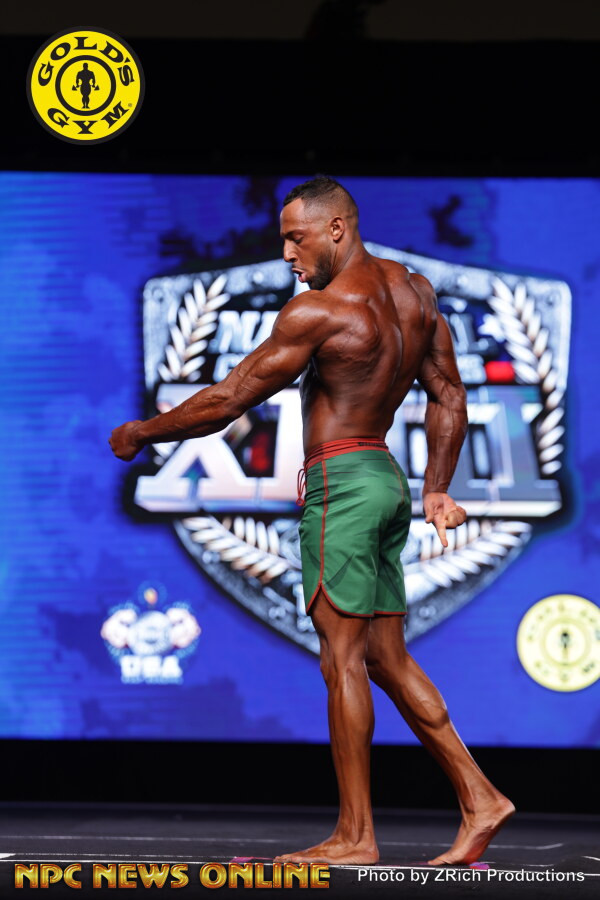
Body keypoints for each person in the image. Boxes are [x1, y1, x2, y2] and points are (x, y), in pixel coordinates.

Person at [109, 175, 515, 865]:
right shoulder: (416, 293)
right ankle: (481, 797)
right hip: (385, 479)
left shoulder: (318, 312)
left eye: (296, 239)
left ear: (337, 228)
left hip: (343, 487)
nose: (288, 254)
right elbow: (449, 393)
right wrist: (436, 489)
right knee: (385, 658)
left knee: (342, 660)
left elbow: (229, 399)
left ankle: (355, 836)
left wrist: (142, 432)